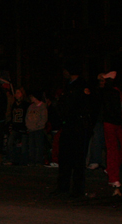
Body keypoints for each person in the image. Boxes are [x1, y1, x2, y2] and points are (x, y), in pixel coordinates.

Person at [54, 68, 92, 197]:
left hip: (77, 125)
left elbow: (83, 106)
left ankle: (77, 189)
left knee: (77, 158)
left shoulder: (81, 86)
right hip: (68, 124)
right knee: (64, 157)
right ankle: (63, 186)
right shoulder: (68, 86)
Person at [25, 91, 48, 165]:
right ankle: (32, 160)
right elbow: (27, 117)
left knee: (38, 146)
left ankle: (38, 161)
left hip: (38, 130)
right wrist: (28, 125)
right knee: (31, 146)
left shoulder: (42, 107)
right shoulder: (31, 107)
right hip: (31, 129)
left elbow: (44, 118)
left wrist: (38, 125)